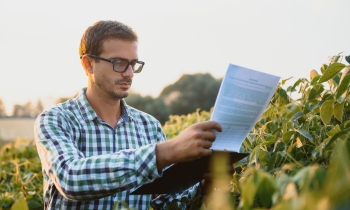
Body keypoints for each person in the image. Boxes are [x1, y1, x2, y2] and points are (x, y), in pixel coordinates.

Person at [34, 20, 222, 210]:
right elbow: (70, 179)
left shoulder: (149, 126)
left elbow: (163, 202)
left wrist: (202, 188)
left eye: (133, 64)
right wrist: (165, 152)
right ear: (88, 64)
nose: (130, 73)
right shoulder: (56, 119)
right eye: (119, 63)